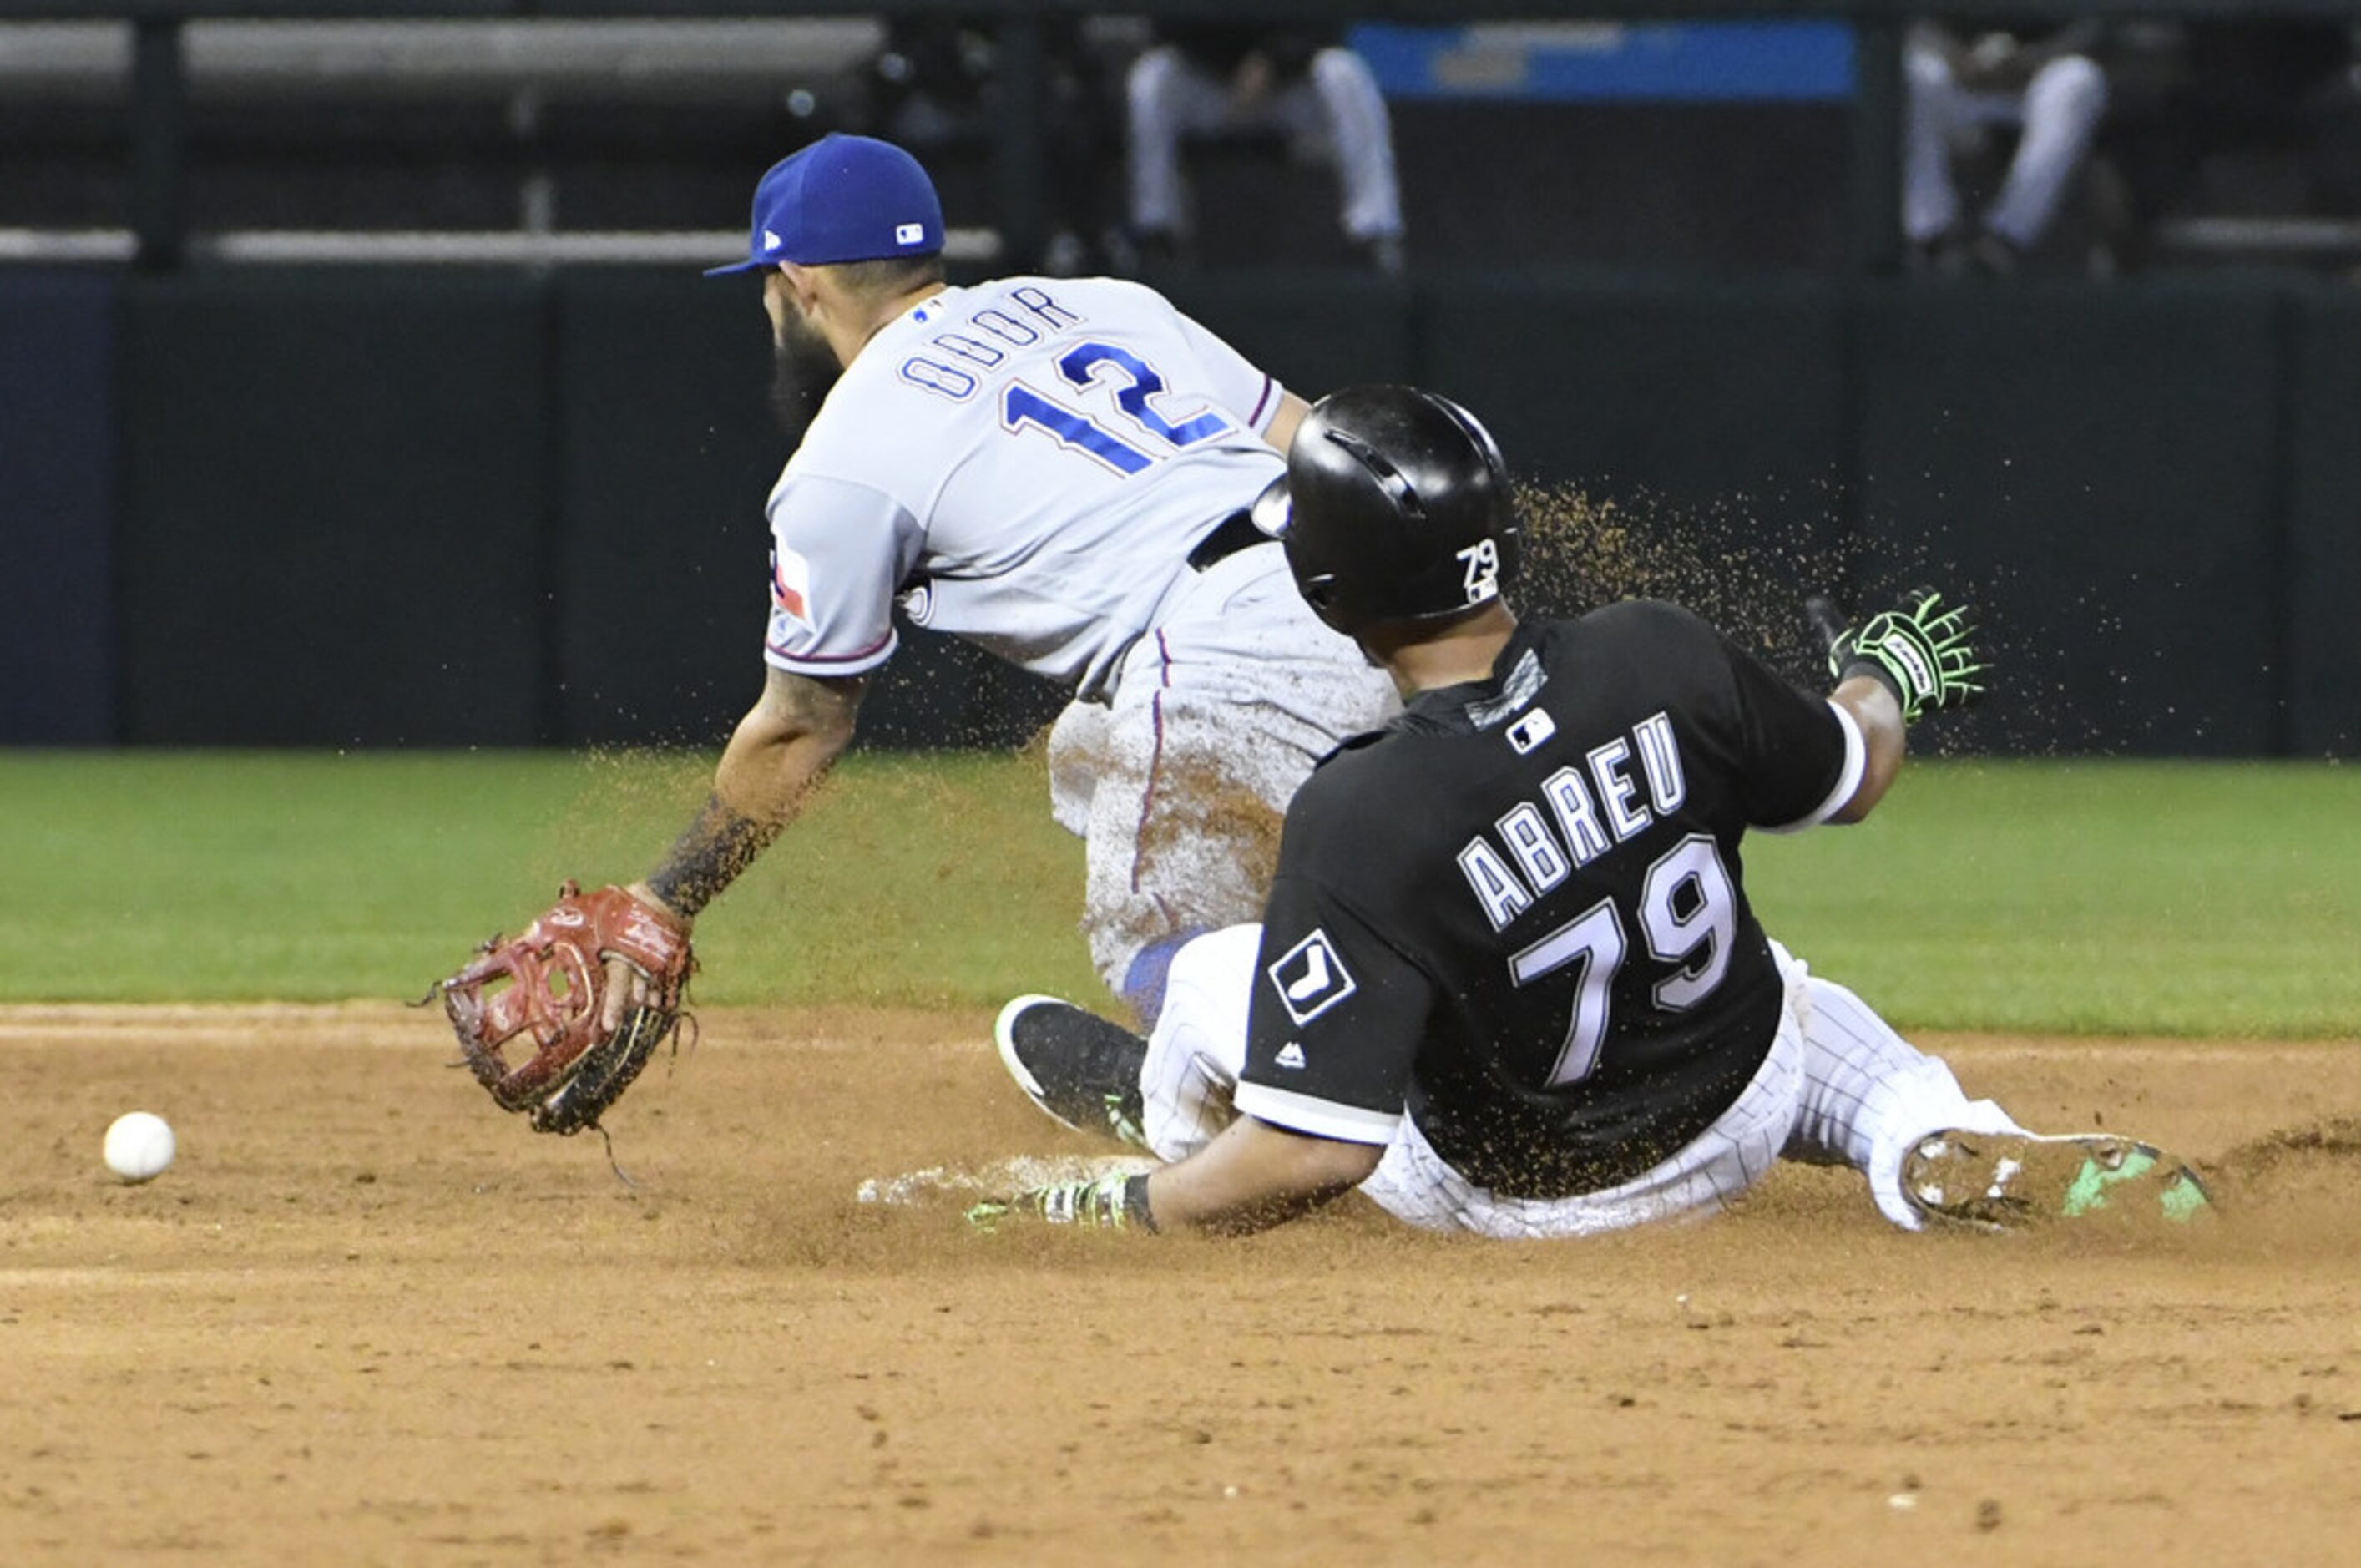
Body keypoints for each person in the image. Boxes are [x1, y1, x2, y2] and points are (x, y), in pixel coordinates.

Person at [973, 386, 2212, 1238]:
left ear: (1329, 590)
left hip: (1534, 1203)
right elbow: (1854, 771)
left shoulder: (1359, 810)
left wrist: (1127, 1214)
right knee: (1806, 1008)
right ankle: (1935, 1140)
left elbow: (1328, 1156)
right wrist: (1888, 679)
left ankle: (1177, 1152)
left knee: (1217, 980)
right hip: (1751, 1088)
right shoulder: (1655, 653)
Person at [592, 133, 1396, 1039]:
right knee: (1093, 758)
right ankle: (1346, 1018)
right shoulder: (1104, 302)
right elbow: (1323, 446)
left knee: (1149, 943)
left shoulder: (842, 460)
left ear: (800, 285)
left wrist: (663, 902)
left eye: (768, 291)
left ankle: (1252, 1097)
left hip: (1218, 648)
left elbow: (798, 729)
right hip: (1366, 592)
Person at [1124, 24, 1405, 273]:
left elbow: (1327, 20)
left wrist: (1273, 61)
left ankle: (1373, 231)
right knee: (1153, 76)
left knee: (1344, 72)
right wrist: (1228, 66)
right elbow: (1169, 23)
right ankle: (1156, 232)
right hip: (1211, 87)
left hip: (1286, 89)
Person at [1905, 20, 2112, 274]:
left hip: (2036, 76)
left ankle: (2004, 240)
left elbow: (2093, 22)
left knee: (2079, 79)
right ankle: (1933, 236)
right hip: (1959, 77)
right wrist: (1956, 57)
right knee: (1911, 71)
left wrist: (2034, 59)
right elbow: (1911, 20)